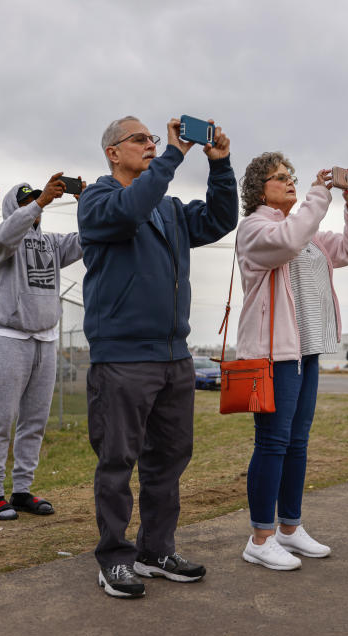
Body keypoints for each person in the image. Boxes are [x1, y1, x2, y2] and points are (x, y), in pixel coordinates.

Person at [77, 116, 237, 598]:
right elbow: (130, 209)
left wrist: (221, 165)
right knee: (117, 460)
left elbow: (219, 218)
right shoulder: (97, 200)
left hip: (174, 355)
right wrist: (171, 155)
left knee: (168, 460)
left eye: (153, 139)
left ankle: (156, 550)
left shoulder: (168, 208)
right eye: (140, 140)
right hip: (122, 357)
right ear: (112, 152)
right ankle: (114, 558)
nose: (150, 145)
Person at [235, 154, 348, 571]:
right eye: (279, 178)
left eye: (290, 177)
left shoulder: (307, 233)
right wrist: (318, 192)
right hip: (273, 353)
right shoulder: (256, 228)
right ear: (260, 189)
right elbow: (288, 240)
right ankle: (260, 537)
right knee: (272, 443)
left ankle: (290, 529)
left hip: (306, 350)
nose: (289, 182)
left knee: (298, 442)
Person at [0, 175, 83, 520]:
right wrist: (37, 204)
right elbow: (8, 234)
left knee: (34, 421)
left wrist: (86, 202)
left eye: (36, 202)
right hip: (11, 337)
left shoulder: (51, 242)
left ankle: (21, 490)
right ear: (15, 208)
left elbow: (89, 239)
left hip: (46, 338)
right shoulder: (1, 238)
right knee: (0, 418)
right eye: (26, 203)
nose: (35, 208)